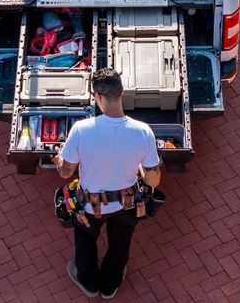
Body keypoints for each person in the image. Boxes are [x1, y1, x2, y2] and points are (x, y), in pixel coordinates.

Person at [53, 68, 162, 299]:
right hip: (126, 205)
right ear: (122, 92)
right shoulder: (143, 132)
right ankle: (110, 284)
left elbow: (65, 172)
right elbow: (153, 179)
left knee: (85, 239)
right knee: (120, 243)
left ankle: (89, 283)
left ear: (97, 96)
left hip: (90, 206)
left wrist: (59, 158)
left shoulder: (81, 130)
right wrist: (140, 168)